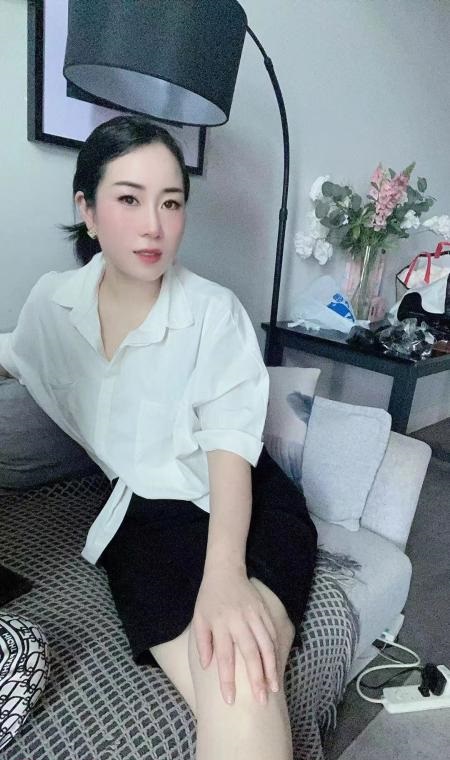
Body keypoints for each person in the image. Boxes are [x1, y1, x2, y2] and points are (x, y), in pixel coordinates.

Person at [0, 114, 317, 760]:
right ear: (87, 211)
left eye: (171, 203)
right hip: (142, 518)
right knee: (236, 685)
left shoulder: (213, 312)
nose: (154, 225)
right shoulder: (52, 306)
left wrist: (225, 575)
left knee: (241, 676)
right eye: (129, 199)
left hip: (245, 500)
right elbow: (13, 352)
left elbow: (230, 446)